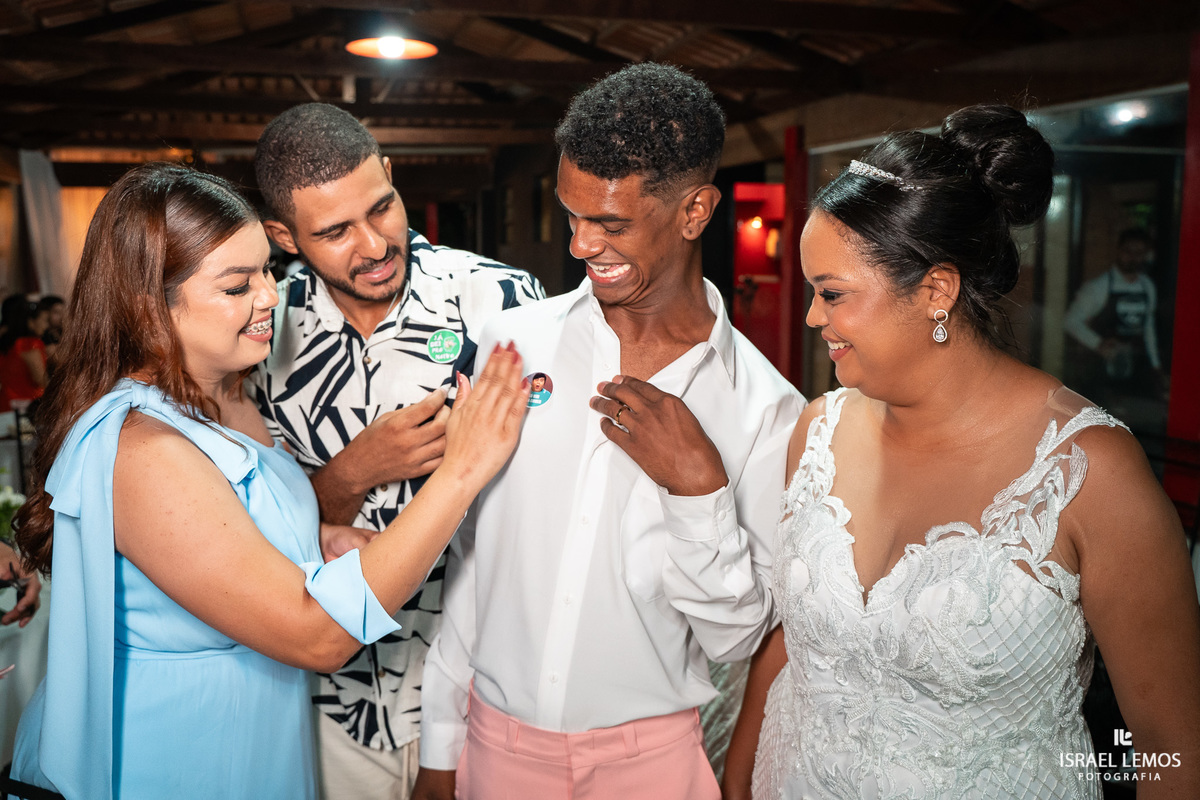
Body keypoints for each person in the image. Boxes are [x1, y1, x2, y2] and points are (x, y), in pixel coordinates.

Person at [6, 163, 531, 800]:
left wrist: (317, 539)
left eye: (266, 271)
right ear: (150, 306)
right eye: (236, 286)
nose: (269, 298)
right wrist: (463, 469)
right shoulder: (141, 449)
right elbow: (317, 633)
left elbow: (234, 542)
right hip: (175, 753)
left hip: (260, 732)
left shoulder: (230, 398)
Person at [721, 106, 1200, 799]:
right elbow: (798, 639)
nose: (811, 317)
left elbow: (1169, 747)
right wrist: (738, 778)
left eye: (832, 294)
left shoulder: (1088, 474)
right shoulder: (819, 429)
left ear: (936, 291)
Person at [416, 63, 804, 800]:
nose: (580, 245)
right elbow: (472, 558)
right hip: (493, 746)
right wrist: (441, 746)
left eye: (611, 223)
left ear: (694, 212)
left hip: (652, 765)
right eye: (572, 217)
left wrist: (700, 492)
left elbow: (737, 639)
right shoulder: (511, 343)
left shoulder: (765, 408)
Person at [248, 103, 545, 800]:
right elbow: (242, 534)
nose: (376, 245)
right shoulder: (258, 334)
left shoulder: (501, 298)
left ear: (390, 173)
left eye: (381, 208)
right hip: (330, 698)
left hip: (485, 682)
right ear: (283, 236)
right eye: (334, 232)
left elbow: (548, 493)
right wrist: (353, 472)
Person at [1064, 227, 1164, 403]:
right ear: (1119, 251)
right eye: (1128, 251)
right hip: (1101, 373)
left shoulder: (1148, 287)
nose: (1133, 257)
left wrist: (1156, 365)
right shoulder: (1098, 287)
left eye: (1139, 252)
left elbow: (1149, 327)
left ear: (1146, 254)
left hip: (1135, 372)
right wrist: (1098, 343)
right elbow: (1071, 321)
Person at [0, 295, 50, 411]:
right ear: (31, 321)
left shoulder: (7, 342)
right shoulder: (29, 344)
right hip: (26, 408)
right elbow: (40, 379)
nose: (46, 326)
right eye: (44, 320)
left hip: (5, 405)